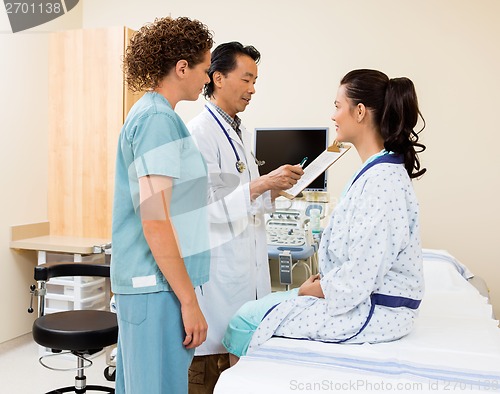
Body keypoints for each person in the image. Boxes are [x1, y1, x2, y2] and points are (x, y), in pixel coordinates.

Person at [222, 68, 427, 362]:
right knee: (260, 309)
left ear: (359, 112)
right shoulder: (376, 171)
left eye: (337, 106)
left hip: (376, 310)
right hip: (362, 297)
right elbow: (363, 257)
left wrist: (317, 289)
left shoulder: (383, 180)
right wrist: (324, 281)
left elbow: (362, 273)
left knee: (245, 321)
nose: (333, 116)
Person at [187, 42, 304, 393]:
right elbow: (203, 209)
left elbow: (239, 199)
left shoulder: (237, 132)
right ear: (218, 78)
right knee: (210, 379)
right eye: (247, 79)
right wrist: (259, 186)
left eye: (256, 81)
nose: (253, 89)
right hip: (217, 287)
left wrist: (273, 189)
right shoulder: (199, 134)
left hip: (243, 283)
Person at [111, 16, 213, 394]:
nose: (207, 79)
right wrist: (189, 302)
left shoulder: (155, 114)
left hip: (154, 284)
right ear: (182, 67)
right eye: (205, 69)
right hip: (156, 287)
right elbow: (155, 220)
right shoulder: (156, 119)